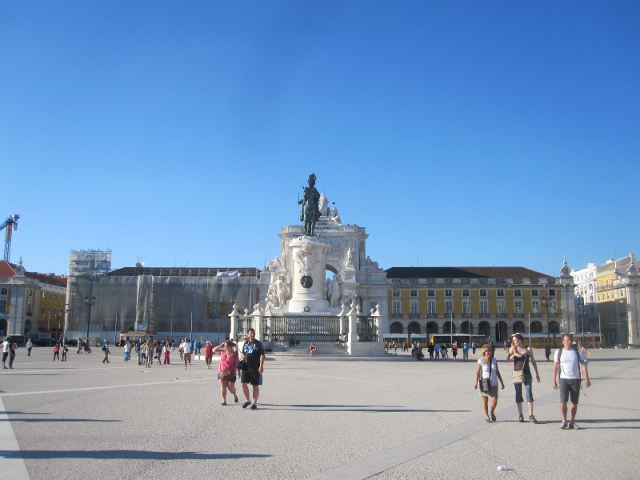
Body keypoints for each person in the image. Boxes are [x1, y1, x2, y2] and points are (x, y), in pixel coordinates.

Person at [552, 333, 591, 429]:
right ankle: (564, 420)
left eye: (570, 340)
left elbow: (583, 365)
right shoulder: (559, 352)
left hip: (575, 379)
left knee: (574, 402)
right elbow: (555, 367)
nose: (569, 342)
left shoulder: (578, 352)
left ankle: (572, 421)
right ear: (563, 342)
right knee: (563, 401)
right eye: (567, 340)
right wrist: (554, 380)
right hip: (563, 379)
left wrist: (587, 379)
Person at [507, 333, 541, 423]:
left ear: (521, 340)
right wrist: (513, 354)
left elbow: (533, 362)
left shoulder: (528, 350)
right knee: (518, 394)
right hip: (516, 374)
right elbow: (507, 359)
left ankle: (531, 415)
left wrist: (537, 374)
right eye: (513, 340)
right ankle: (520, 415)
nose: (514, 342)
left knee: (529, 393)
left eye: (516, 340)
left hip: (527, 374)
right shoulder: (513, 349)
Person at [474, 344, 505, 422]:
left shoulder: (494, 360)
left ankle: (491, 411)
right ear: (484, 352)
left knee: (495, 400)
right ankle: (486, 416)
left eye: (489, 351)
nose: (488, 352)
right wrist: (476, 382)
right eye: (486, 351)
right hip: (484, 383)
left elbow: (497, 371)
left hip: (494, 383)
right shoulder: (480, 360)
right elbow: (477, 372)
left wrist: (502, 382)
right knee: (485, 401)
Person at [240, 328, 265, 410]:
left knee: (255, 385)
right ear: (248, 334)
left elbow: (262, 355)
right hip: (245, 367)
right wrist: (242, 357)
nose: (252, 334)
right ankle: (247, 400)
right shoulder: (245, 343)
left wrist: (261, 366)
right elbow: (243, 353)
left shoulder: (259, 344)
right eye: (250, 333)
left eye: (253, 333)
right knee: (243, 384)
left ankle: (254, 403)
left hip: (255, 367)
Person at [214, 340, 239, 405]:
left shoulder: (234, 354)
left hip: (231, 373)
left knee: (230, 388)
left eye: (226, 346)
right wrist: (220, 345)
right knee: (223, 387)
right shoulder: (222, 352)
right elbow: (213, 350)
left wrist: (238, 371)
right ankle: (224, 401)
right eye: (224, 345)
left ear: (230, 346)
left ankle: (235, 395)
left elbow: (237, 363)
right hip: (222, 372)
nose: (225, 347)